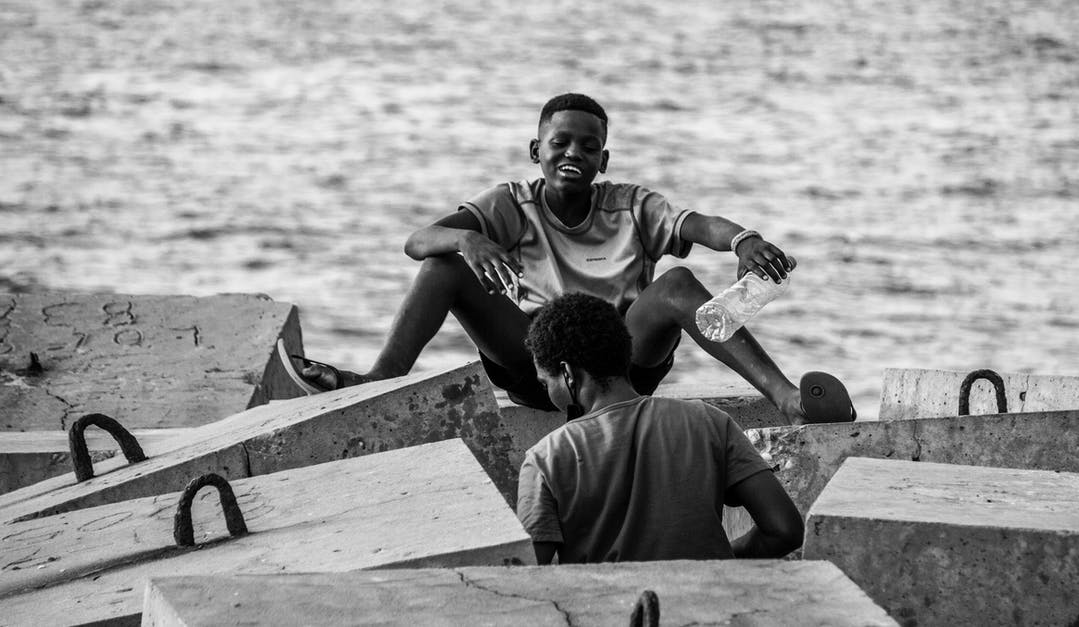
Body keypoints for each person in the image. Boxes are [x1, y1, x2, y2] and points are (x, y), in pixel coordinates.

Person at [280, 92, 854, 423]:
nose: (573, 153)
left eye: (588, 146)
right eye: (560, 143)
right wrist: (465, 239)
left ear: (603, 160)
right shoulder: (510, 203)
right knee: (442, 265)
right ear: (537, 151)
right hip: (538, 366)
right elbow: (417, 241)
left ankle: (788, 399)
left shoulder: (631, 206)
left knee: (678, 283)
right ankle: (377, 383)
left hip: (621, 367)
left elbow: (697, 225)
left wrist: (742, 239)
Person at [517, 293, 805, 563]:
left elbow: (524, 572)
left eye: (546, 383)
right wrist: (719, 559)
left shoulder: (545, 458)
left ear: (567, 373)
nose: (548, 394)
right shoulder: (709, 421)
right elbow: (785, 530)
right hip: (704, 597)